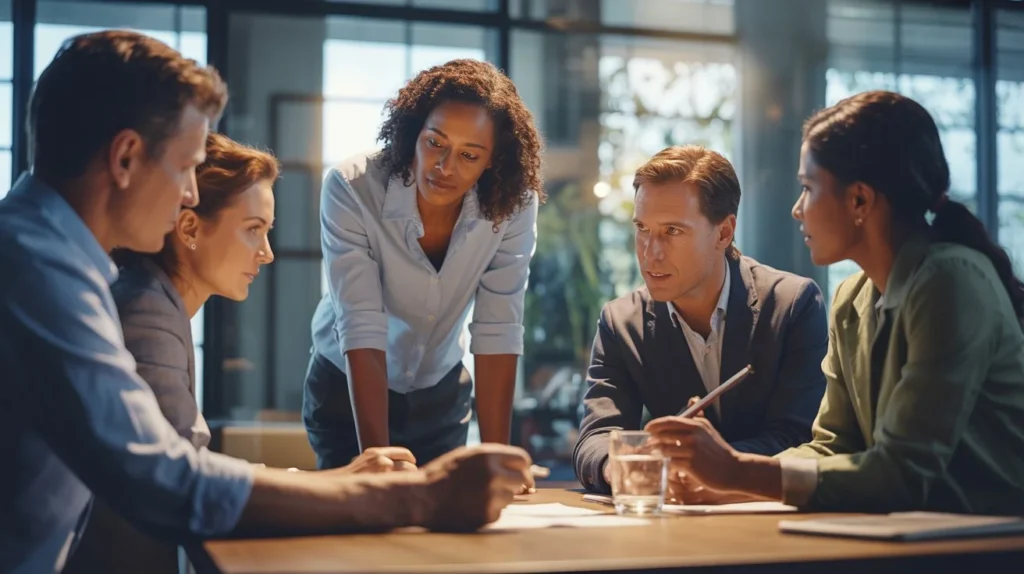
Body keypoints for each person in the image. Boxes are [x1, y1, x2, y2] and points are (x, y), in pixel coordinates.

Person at [0, 30, 530, 574]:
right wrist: (415, 497)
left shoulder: (42, 253)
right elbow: (162, 479)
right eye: (185, 165)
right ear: (127, 158)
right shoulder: (42, 276)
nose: (190, 192)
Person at [645, 91, 1024, 514]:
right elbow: (832, 446)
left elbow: (902, 473)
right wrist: (725, 485)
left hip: (987, 546)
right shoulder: (852, 298)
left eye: (807, 188)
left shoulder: (949, 281)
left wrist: (737, 472)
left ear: (859, 200)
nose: (796, 210)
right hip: (906, 540)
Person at [65, 133, 419, 574]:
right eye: (254, 230)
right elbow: (185, 486)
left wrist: (332, 481)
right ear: (190, 228)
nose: (267, 253)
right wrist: (343, 486)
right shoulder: (146, 313)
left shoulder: (159, 305)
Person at [305, 59, 544, 472]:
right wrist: (376, 461)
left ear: (492, 160)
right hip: (347, 387)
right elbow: (361, 323)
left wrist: (498, 461)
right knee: (358, 515)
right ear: (414, 129)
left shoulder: (513, 205)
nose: (445, 167)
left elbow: (498, 328)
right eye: (435, 142)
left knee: (447, 526)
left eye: (470, 154)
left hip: (441, 389)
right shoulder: (353, 187)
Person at [573, 145, 828, 502]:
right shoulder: (621, 321)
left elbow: (797, 437)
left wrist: (715, 469)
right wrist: (618, 466)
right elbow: (596, 438)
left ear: (724, 233)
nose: (650, 252)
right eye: (642, 229)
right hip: (674, 522)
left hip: (768, 519)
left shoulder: (791, 305)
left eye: (673, 231)